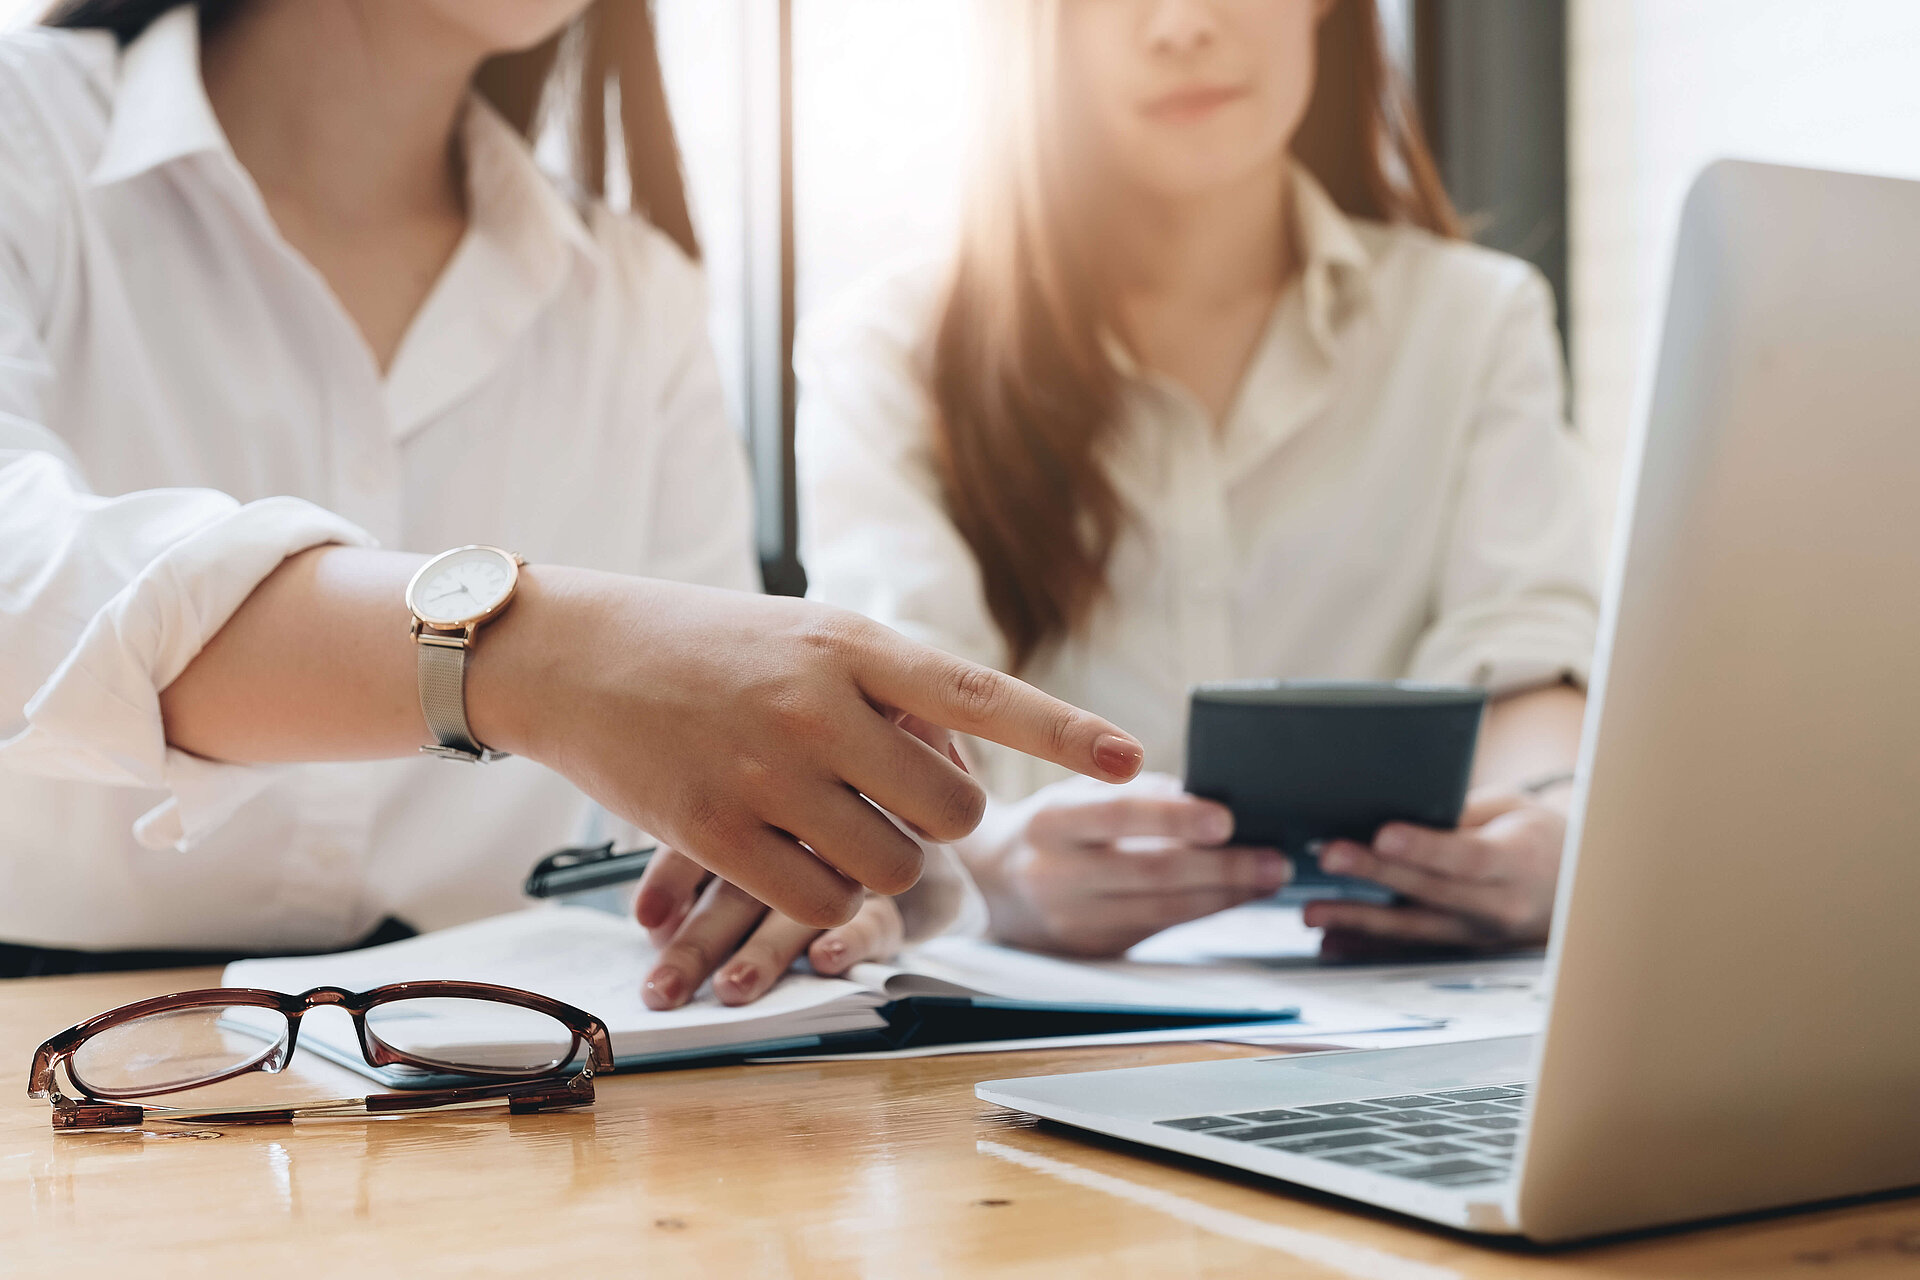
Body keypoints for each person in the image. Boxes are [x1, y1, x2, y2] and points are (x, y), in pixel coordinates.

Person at [0, 0, 1145, 978]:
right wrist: (527, 656)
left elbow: (679, 811)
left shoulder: (635, 297)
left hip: (505, 1062)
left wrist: (778, 879)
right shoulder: (26, 131)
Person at [633, 0, 1598, 988]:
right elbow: (892, 717)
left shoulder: (1475, 320)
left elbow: (1525, 661)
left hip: (1405, 1002)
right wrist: (995, 867)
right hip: (1035, 1011)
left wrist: (1552, 830)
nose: (1180, 25)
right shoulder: (888, 348)